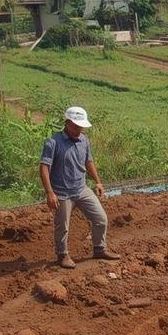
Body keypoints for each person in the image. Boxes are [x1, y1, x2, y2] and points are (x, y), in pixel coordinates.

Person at [40, 106, 120, 269]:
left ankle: (99, 249)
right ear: (67, 123)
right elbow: (44, 168)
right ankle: (62, 255)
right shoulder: (53, 142)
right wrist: (50, 192)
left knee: (101, 219)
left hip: (81, 189)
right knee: (63, 227)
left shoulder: (84, 140)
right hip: (62, 193)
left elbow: (88, 161)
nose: (79, 130)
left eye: (81, 126)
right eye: (76, 126)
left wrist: (98, 182)